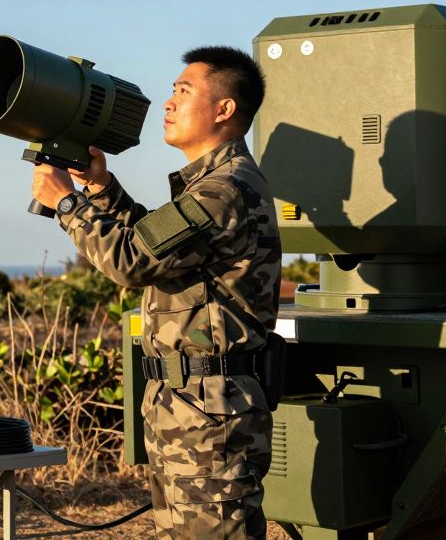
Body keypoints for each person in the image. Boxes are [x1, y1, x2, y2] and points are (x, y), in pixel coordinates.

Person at [31, 46, 282, 539]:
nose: (169, 103)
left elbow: (130, 261)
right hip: (186, 410)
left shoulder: (225, 190)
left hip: (211, 417)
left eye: (183, 91)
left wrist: (66, 204)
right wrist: (102, 191)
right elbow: (155, 244)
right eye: (172, 91)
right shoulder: (209, 186)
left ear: (224, 110)